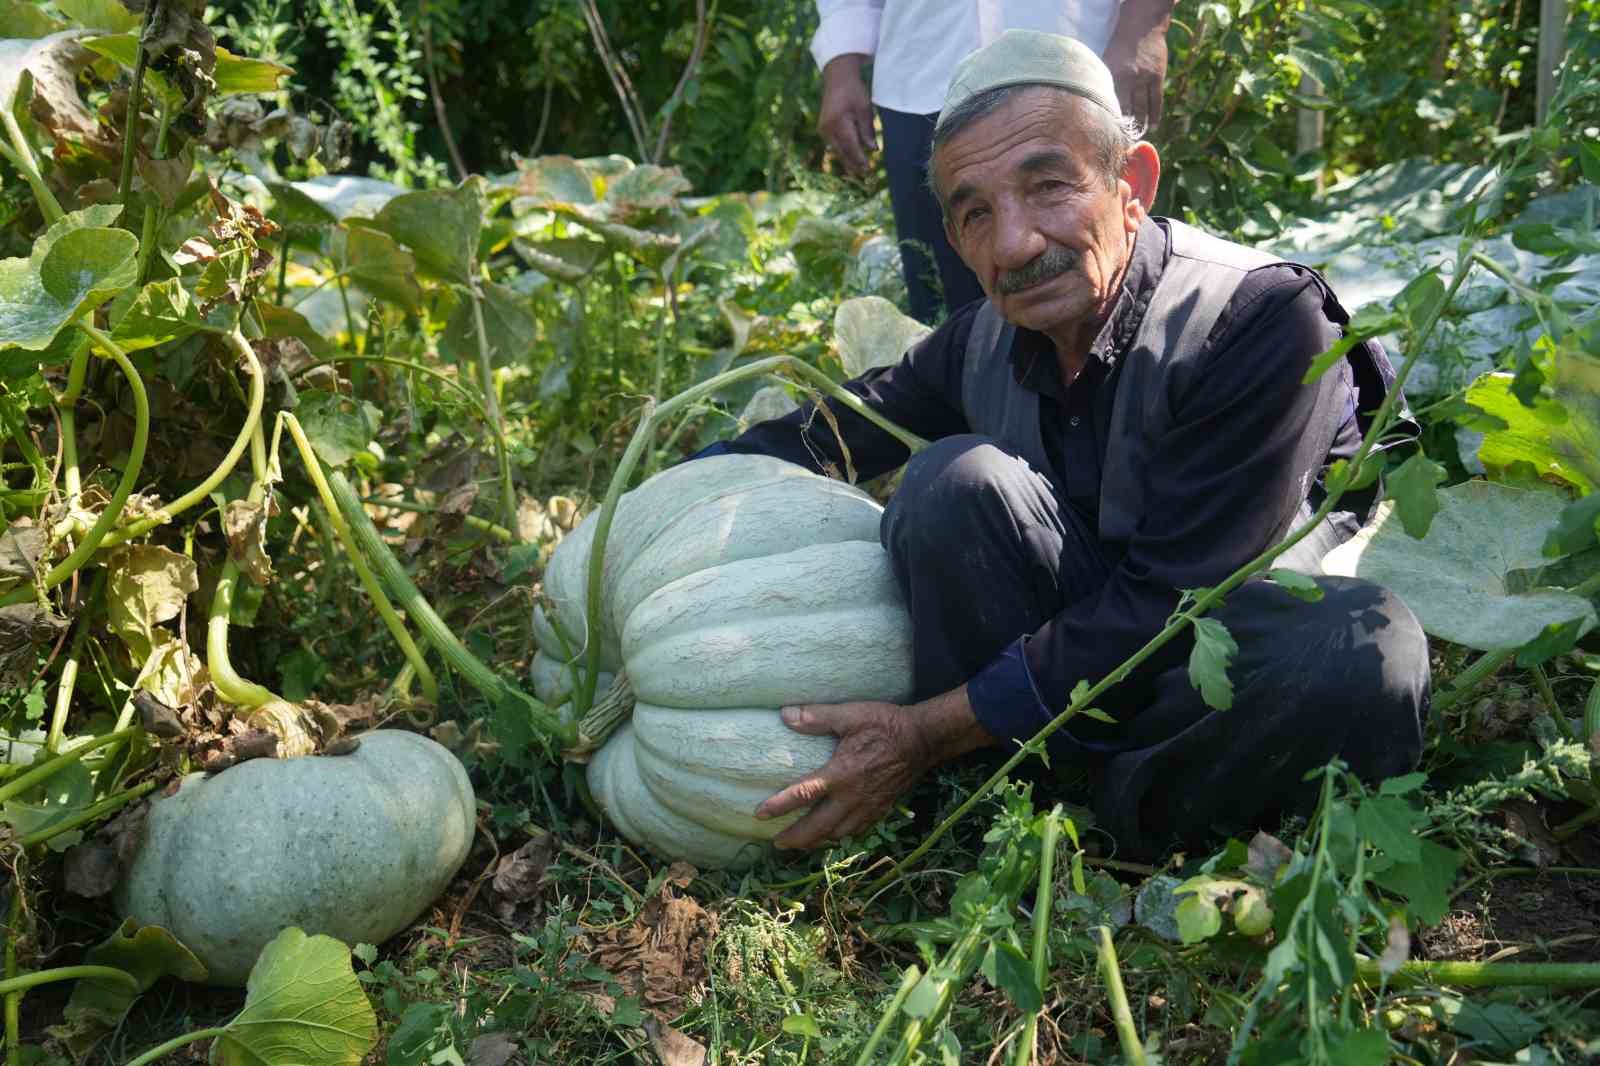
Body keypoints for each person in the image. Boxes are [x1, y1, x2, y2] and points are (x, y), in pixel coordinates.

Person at [701, 31, 1430, 859]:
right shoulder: (984, 336)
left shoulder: (1260, 318)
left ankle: (1111, 813)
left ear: (1132, 186)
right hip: (1065, 670)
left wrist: (925, 731)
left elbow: (1180, 597)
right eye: (976, 213)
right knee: (951, 481)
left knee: (1356, 648)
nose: (1014, 243)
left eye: (1048, 187)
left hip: (1217, 665)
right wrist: (668, 498)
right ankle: (1033, 783)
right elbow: (833, 432)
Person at [814, 0, 1176, 323]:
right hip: (920, 76)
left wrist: (1143, 26)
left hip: (1078, 65)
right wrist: (840, 63)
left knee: (1112, 295)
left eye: (1048, 186)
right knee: (943, 308)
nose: (1014, 246)